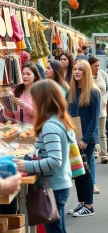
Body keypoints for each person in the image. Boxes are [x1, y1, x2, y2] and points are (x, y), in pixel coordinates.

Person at [15, 79, 75, 233]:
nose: (32, 102)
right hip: (59, 183)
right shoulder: (58, 120)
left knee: (54, 230)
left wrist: (27, 165)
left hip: (53, 185)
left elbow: (55, 160)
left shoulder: (50, 126)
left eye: (34, 98)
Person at [67, 60, 101, 217]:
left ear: (87, 72)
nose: (77, 72)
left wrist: (86, 139)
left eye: (80, 69)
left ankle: (89, 205)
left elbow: (94, 119)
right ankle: (82, 203)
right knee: (77, 172)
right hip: (73, 137)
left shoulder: (93, 92)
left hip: (86, 139)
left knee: (85, 172)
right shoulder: (71, 92)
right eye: (75, 69)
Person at [88, 56, 108, 166]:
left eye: (98, 65)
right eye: (95, 66)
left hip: (101, 108)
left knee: (102, 132)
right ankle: (94, 151)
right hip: (90, 107)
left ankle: (104, 154)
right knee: (92, 130)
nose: (97, 68)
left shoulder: (102, 74)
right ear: (90, 66)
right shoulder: (86, 76)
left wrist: (105, 98)